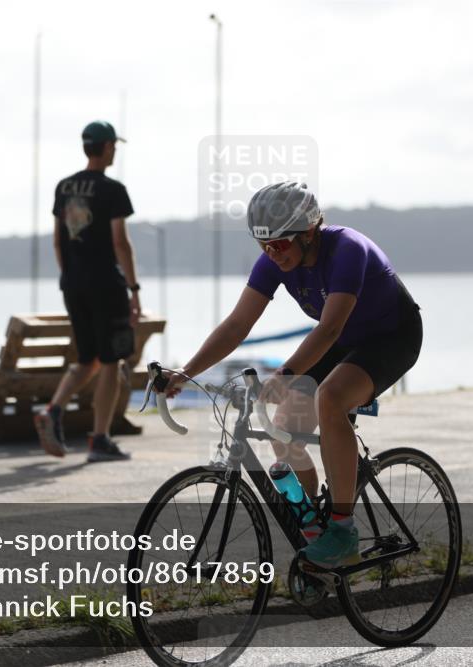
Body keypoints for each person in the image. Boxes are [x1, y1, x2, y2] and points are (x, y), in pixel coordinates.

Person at [163, 181, 422, 568]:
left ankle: (342, 529)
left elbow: (329, 328)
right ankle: (313, 528)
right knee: (282, 428)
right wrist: (185, 373)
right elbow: (237, 326)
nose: (272, 254)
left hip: (391, 337)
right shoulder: (274, 262)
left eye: (280, 245)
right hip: (343, 341)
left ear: (308, 233)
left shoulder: (347, 249)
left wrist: (285, 373)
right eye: (263, 245)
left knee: (331, 398)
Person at [35, 120, 141, 463]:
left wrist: (70, 277)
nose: (115, 151)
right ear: (107, 146)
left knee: (87, 358)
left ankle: (53, 410)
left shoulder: (64, 187)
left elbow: (57, 240)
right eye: (114, 145)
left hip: (73, 283)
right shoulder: (113, 190)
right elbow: (120, 243)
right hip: (105, 285)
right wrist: (133, 288)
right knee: (110, 360)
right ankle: (99, 439)